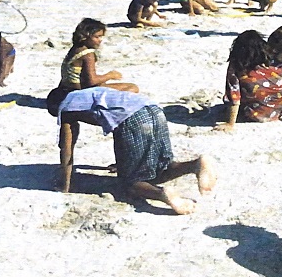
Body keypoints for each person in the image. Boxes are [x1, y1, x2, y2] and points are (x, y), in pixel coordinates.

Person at [55, 87, 217, 215]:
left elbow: (67, 148)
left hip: (132, 119)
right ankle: (195, 164)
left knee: (130, 183)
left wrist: (65, 184)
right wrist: (122, 162)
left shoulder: (65, 106)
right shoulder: (93, 92)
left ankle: (162, 194)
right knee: (162, 167)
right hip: (153, 109)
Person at [217, 30, 282, 131]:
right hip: (280, 109)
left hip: (255, 114)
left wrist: (230, 123)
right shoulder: (274, 63)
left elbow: (234, 96)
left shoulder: (237, 67)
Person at [57, 18, 138, 94]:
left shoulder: (75, 49)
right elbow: (92, 81)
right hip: (80, 93)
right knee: (132, 88)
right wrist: (110, 75)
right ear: (85, 36)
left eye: (101, 36)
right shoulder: (87, 54)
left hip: (67, 90)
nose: (100, 40)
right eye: (97, 37)